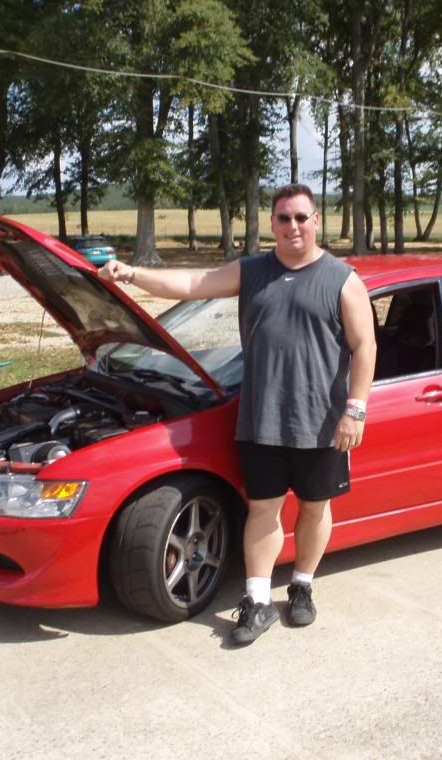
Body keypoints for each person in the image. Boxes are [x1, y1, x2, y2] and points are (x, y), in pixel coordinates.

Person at [99, 183, 376, 645]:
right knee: (263, 509)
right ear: (272, 224)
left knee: (314, 507)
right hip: (261, 418)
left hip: (322, 422)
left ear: (316, 221)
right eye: (284, 218)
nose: (293, 226)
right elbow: (191, 286)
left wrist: (356, 409)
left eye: (301, 218)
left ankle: (302, 588)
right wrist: (130, 275)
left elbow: (365, 346)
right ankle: (257, 600)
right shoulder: (252, 272)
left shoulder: (342, 279)